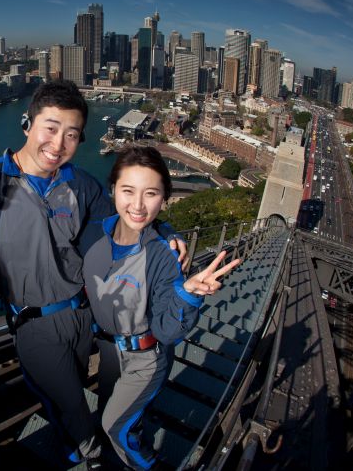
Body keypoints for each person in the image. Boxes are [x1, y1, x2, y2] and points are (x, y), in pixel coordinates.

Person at [0, 81, 187, 467]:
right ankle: (90, 460)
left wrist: (168, 233)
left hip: (87, 316)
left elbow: (129, 220)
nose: (58, 144)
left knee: (97, 399)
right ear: (27, 123)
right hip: (34, 323)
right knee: (71, 410)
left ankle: (111, 447)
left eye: (72, 134)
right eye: (50, 128)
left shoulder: (80, 184)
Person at [80, 146, 240, 470]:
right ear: (112, 190)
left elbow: (167, 330)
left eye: (151, 193)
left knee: (116, 425)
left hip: (146, 357)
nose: (138, 205)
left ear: (164, 197)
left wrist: (188, 294)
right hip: (110, 350)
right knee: (121, 416)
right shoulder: (94, 234)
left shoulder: (164, 255)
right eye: (128, 191)